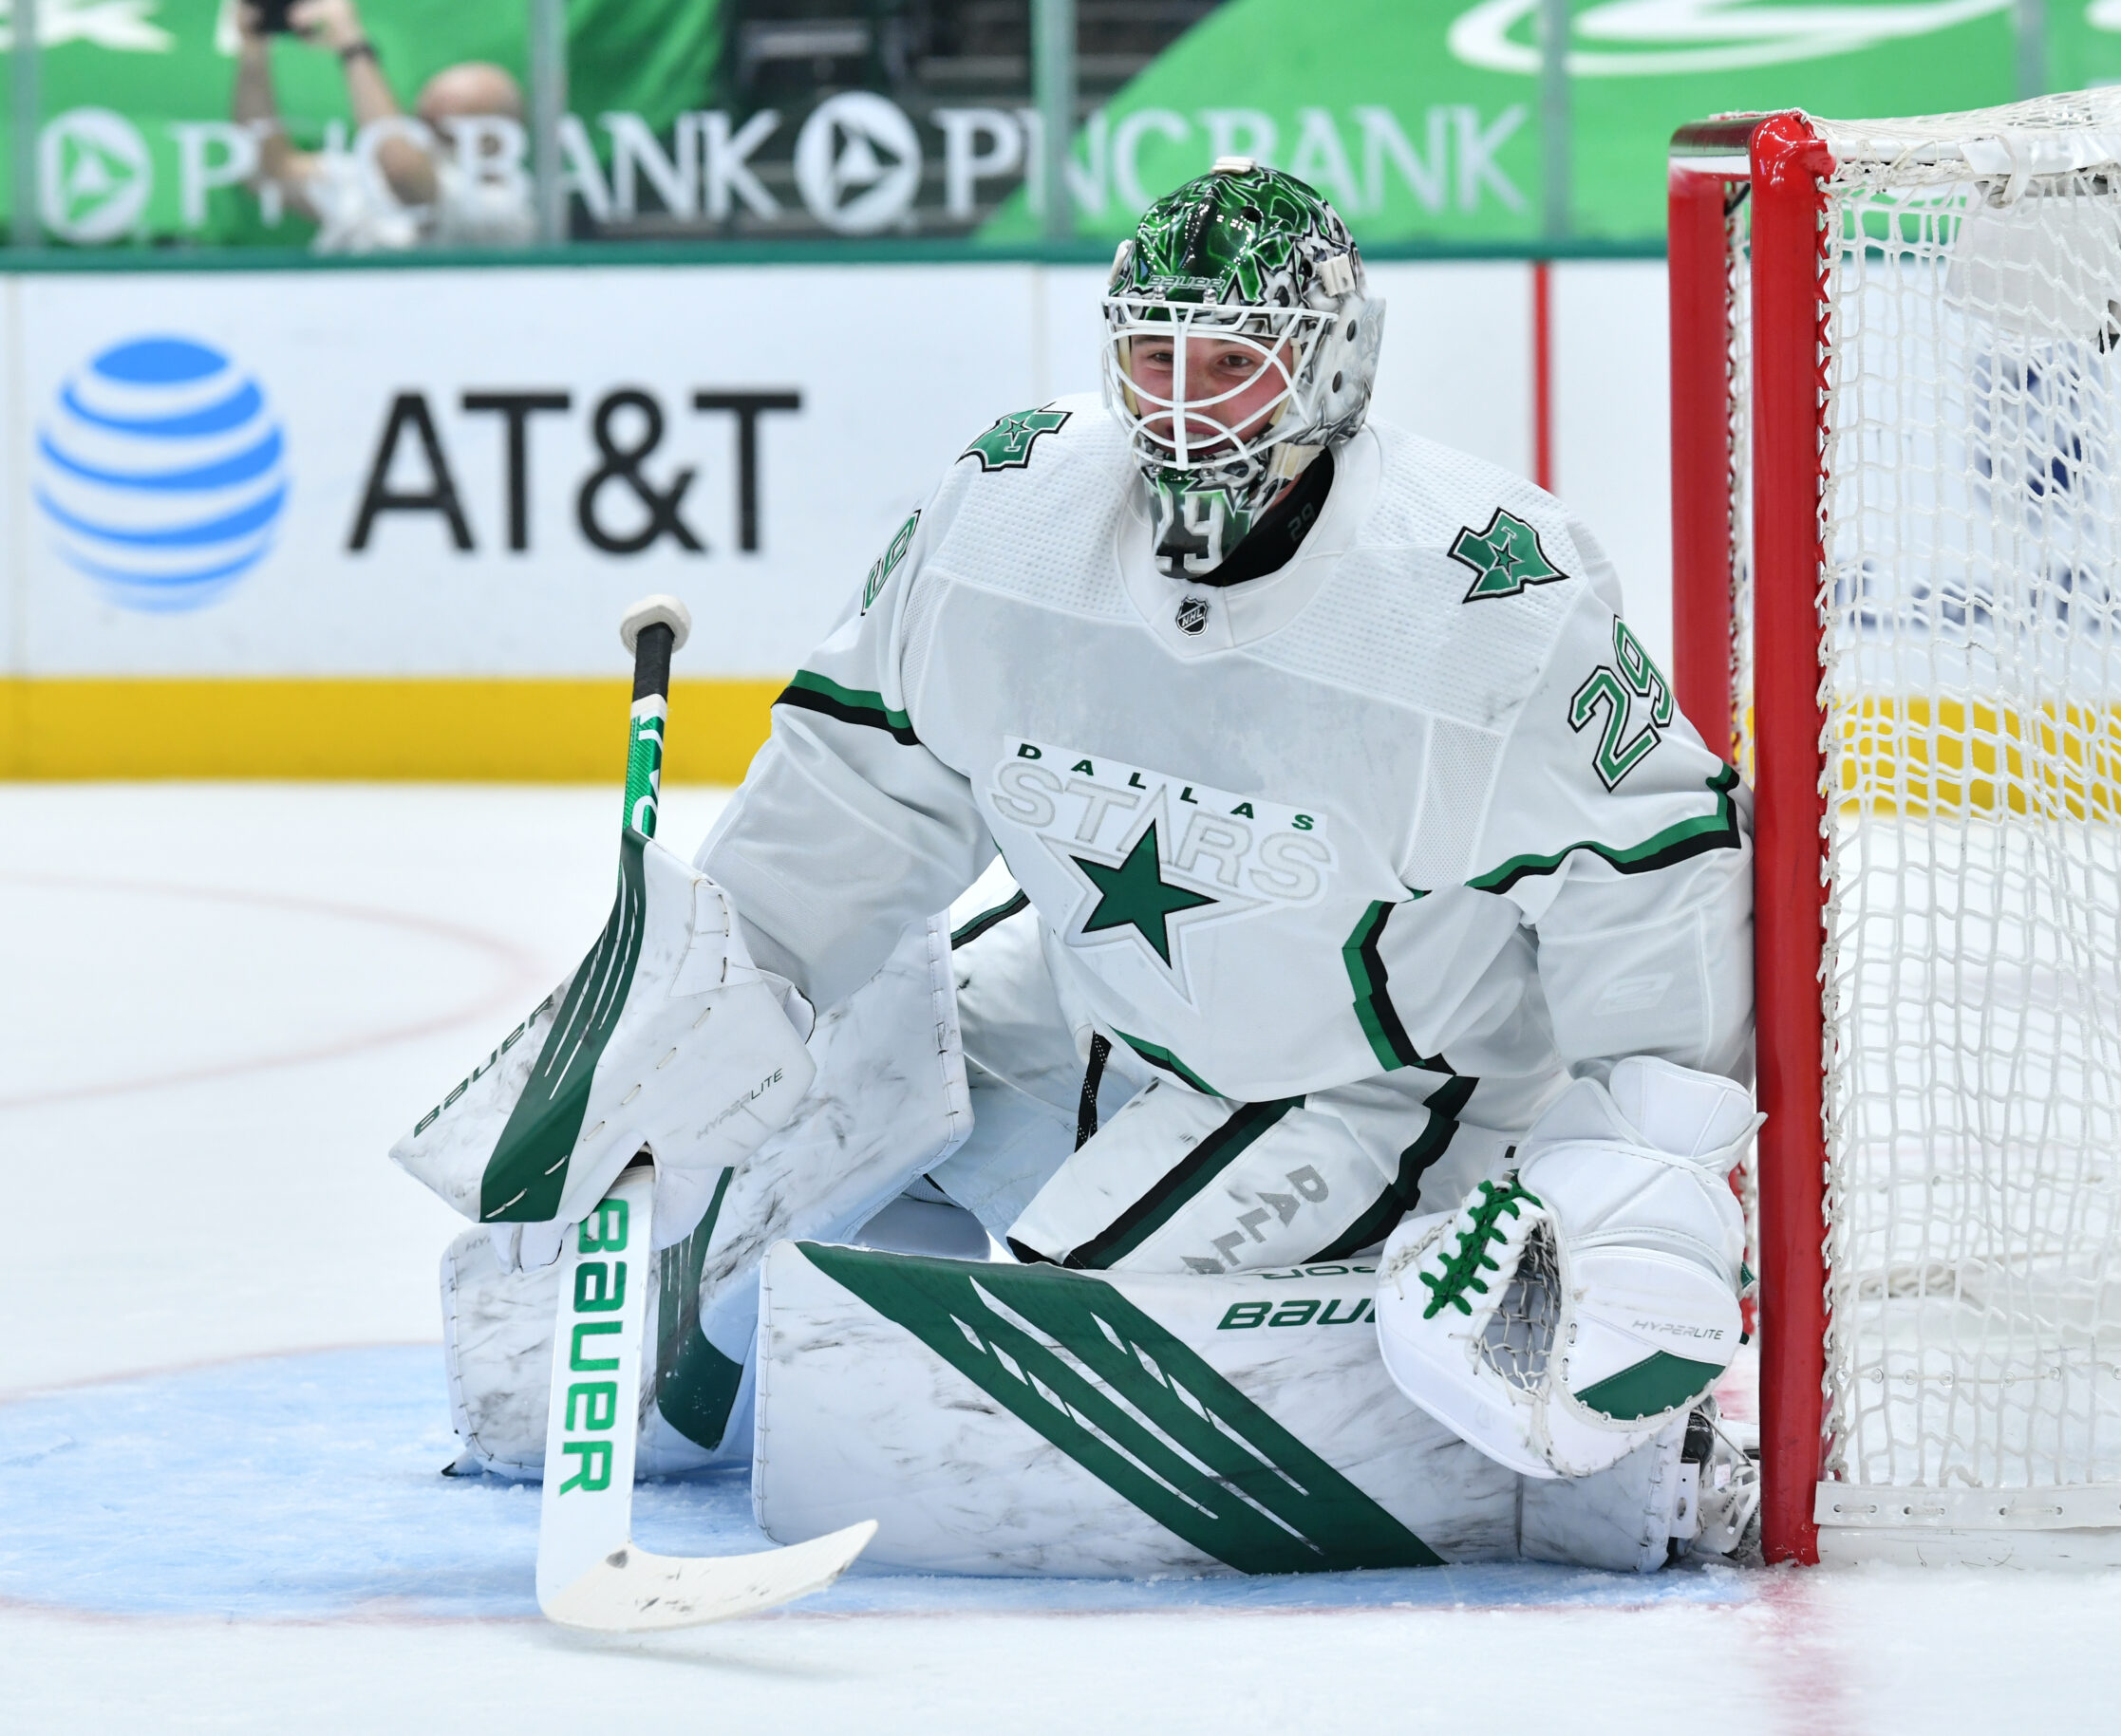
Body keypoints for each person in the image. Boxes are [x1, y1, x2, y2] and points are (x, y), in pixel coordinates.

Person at [395, 162, 1758, 1565]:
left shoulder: (1479, 595)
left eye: (1230, 361)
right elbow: (858, 796)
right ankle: (706, 1382)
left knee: (1005, 1406)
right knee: (687, 1225)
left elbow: (1651, 868)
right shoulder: (1006, 515)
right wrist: (697, 1007)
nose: (1179, 400)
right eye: (1152, 353)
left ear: (1332, 369)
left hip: (1361, 1086)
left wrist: (1647, 1168)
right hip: (1086, 1018)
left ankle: (1589, 1449)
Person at [233, 0, 534, 253]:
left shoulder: (502, 207)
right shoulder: (365, 179)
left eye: (443, 126)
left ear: (498, 140)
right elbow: (269, 169)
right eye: (421, 120)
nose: (423, 135)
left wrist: (352, 44)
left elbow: (401, 169)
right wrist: (254, 49)